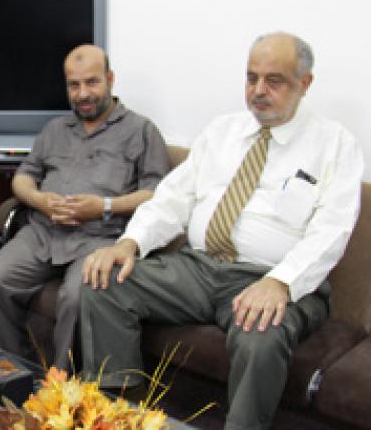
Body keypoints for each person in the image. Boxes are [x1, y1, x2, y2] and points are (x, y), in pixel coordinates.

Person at [80, 32, 363, 429]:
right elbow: (173, 198)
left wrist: (280, 282)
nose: (258, 90)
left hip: (273, 278)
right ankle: (120, 414)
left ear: (305, 83)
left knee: (262, 334)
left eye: (274, 81)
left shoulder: (334, 145)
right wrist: (130, 242)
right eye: (251, 78)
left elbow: (331, 231)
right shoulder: (222, 132)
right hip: (198, 267)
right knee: (104, 281)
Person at [0, 44, 170, 368]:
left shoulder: (141, 130)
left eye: (92, 82)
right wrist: (39, 200)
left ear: (110, 79)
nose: (83, 94)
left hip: (101, 238)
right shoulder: (54, 129)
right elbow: (23, 178)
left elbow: (158, 194)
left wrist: (104, 206)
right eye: (74, 85)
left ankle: (63, 388)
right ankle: (11, 374)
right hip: (43, 232)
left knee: (78, 296)